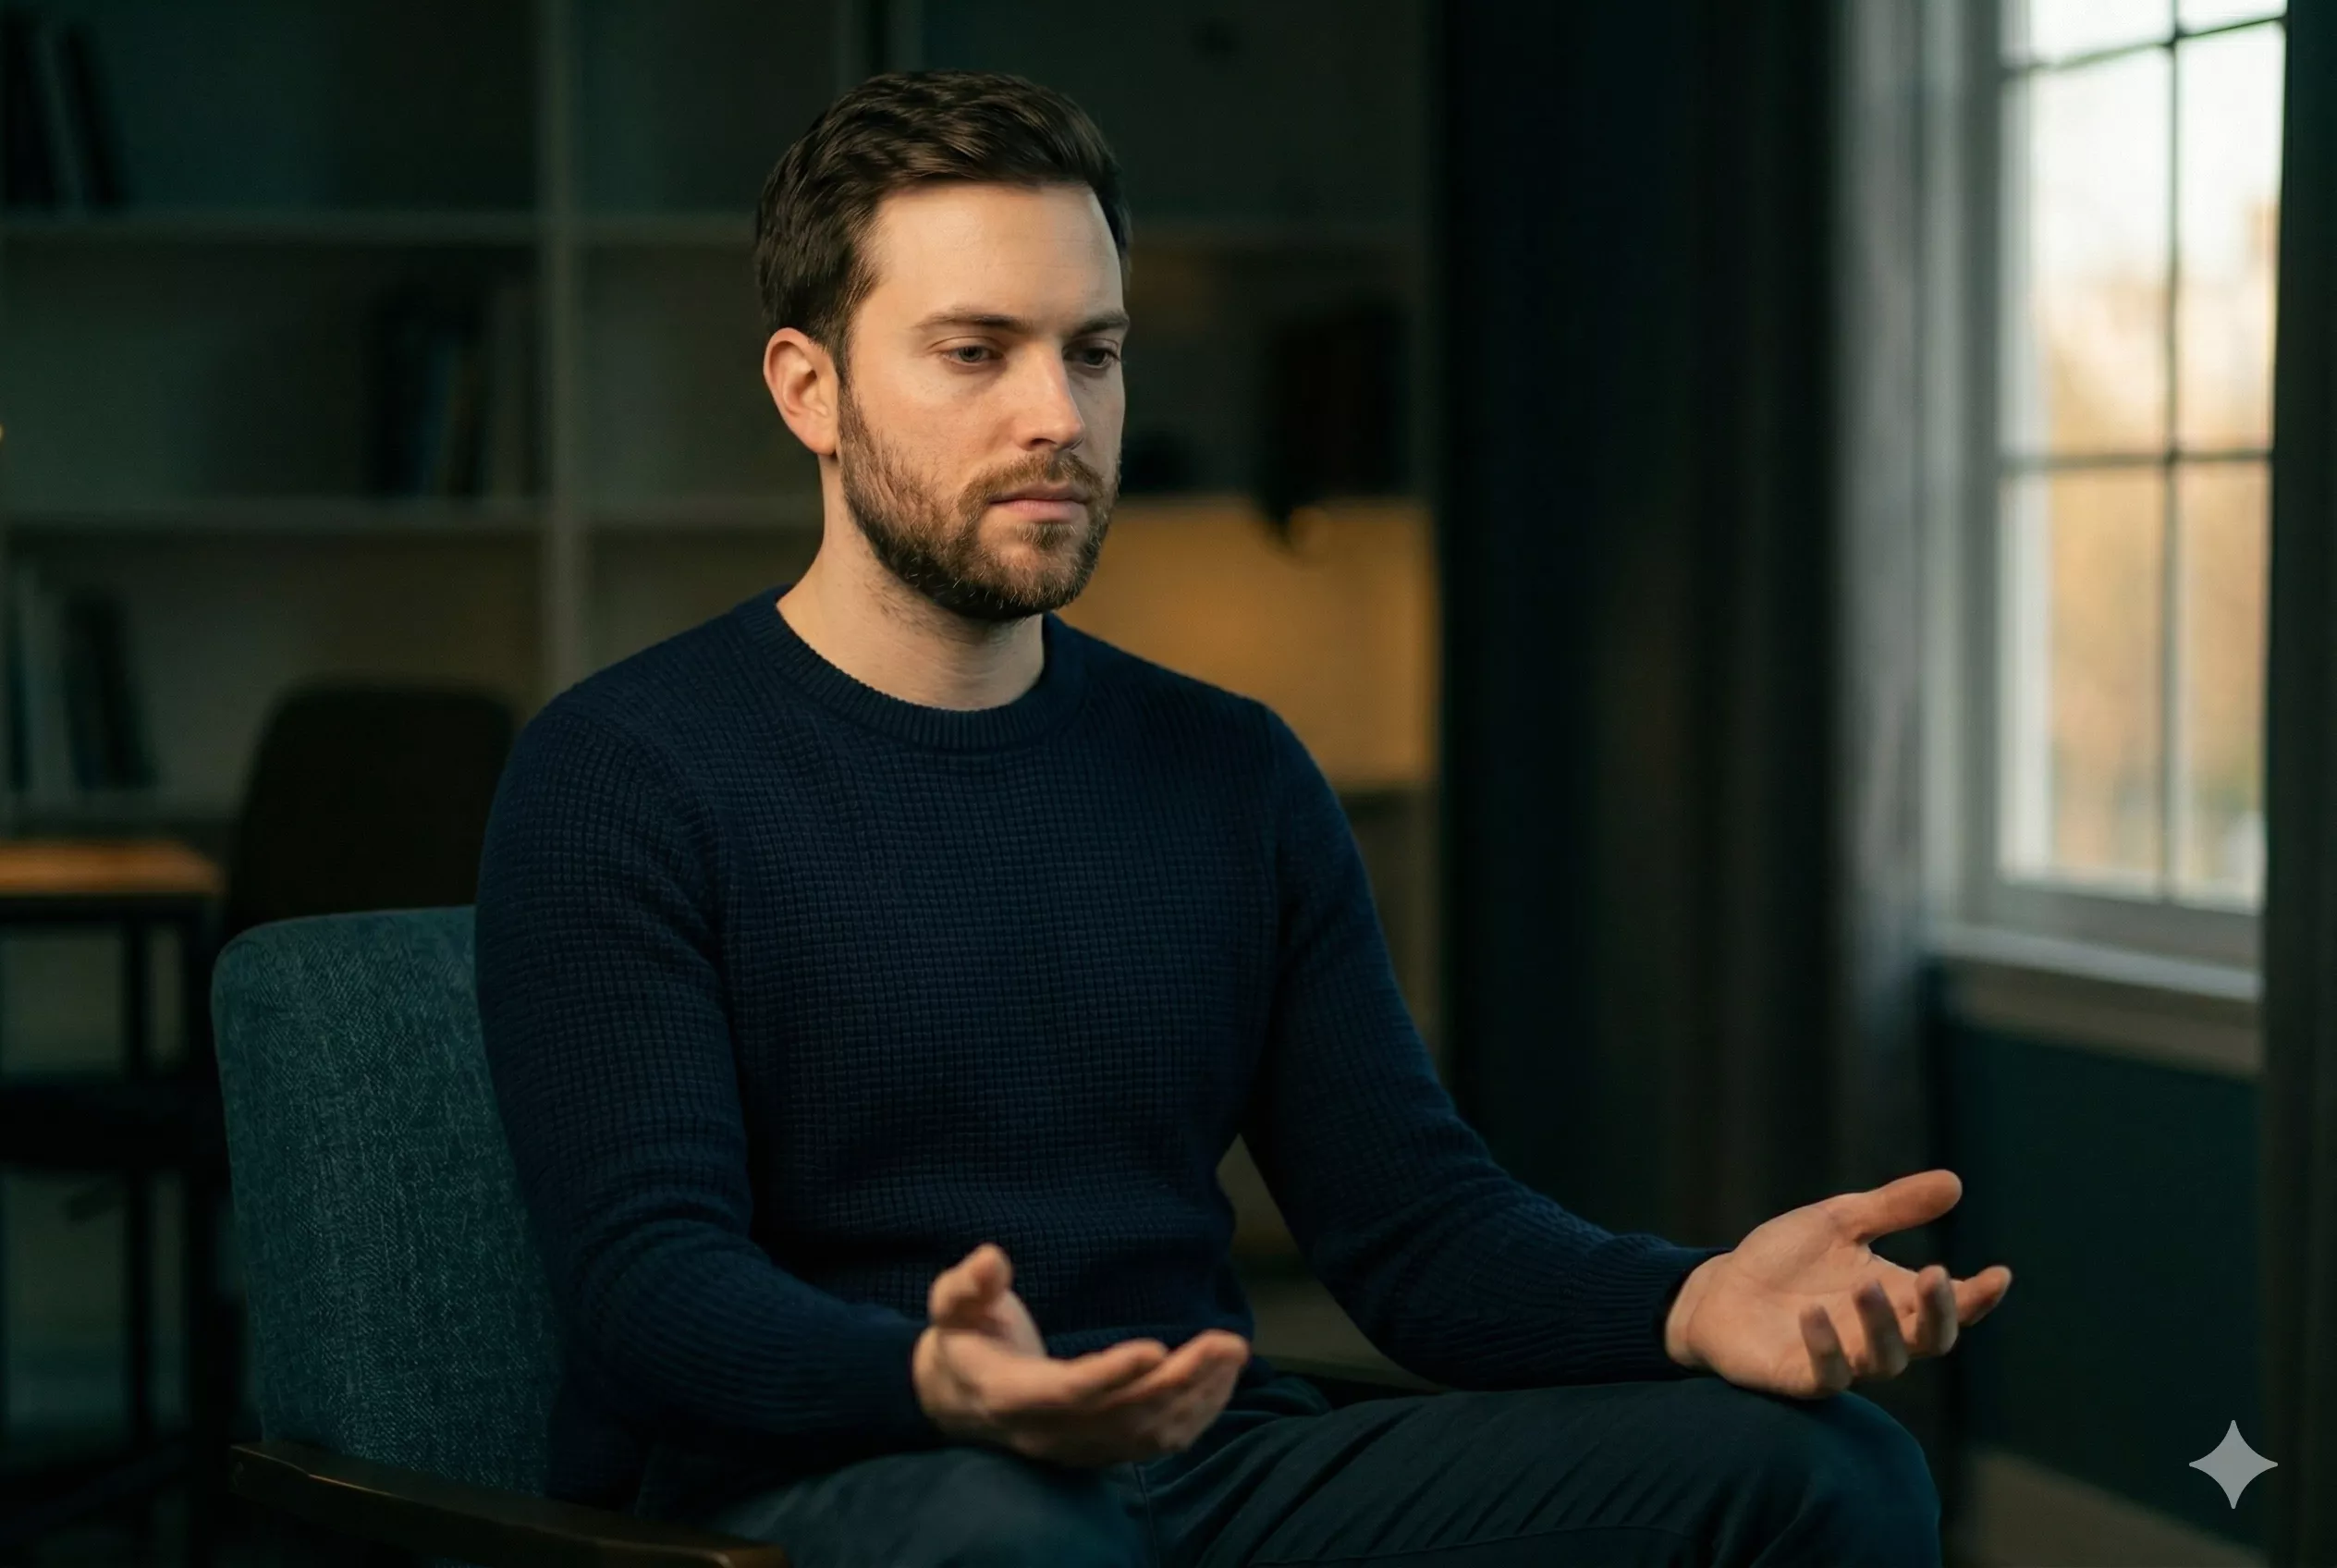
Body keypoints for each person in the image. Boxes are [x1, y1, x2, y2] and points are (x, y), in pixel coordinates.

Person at [473, 68, 2013, 1568]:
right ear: (809, 388)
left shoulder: (1230, 770)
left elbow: (1415, 1229)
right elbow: (649, 1286)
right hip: (841, 1483)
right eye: (975, 351)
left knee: (1828, 1472)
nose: (1055, 415)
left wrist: (1686, 1301)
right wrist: (936, 1384)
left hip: (1201, 1469)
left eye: (1093, 351)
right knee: (1015, 1535)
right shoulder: (626, 771)